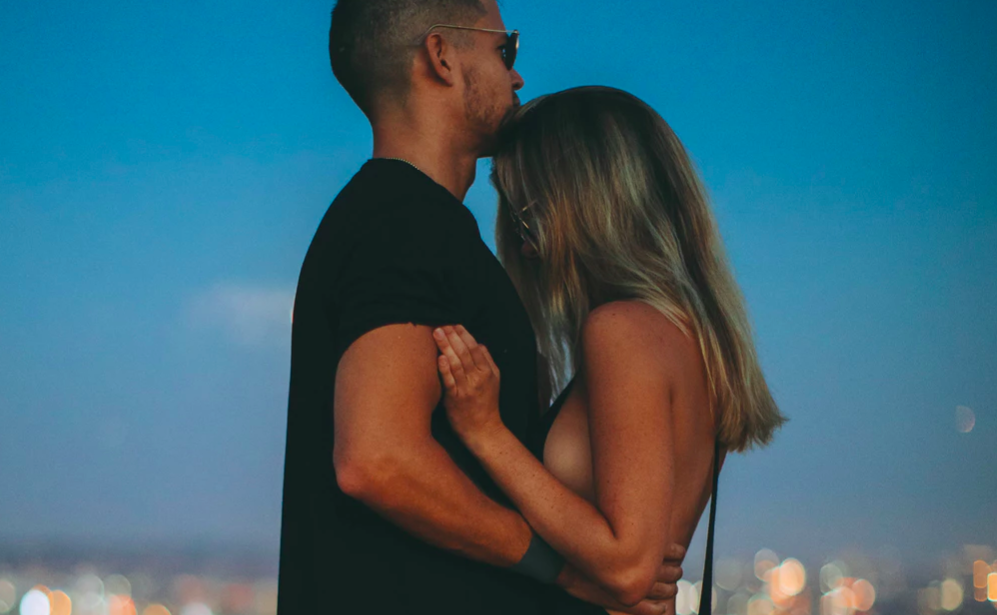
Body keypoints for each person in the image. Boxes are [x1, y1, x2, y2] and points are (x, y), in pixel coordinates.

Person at [277, 2, 685, 614]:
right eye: (505, 50)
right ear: (442, 57)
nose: (518, 76)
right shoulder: (401, 220)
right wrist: (566, 569)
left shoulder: (418, 226)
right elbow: (376, 459)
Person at [426, 86, 788, 615]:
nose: (525, 244)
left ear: (586, 203)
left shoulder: (621, 330)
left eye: (529, 214)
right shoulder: (696, 339)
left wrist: (486, 434)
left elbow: (627, 566)